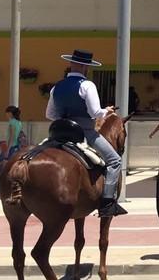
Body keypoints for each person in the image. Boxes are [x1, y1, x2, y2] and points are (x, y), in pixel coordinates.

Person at [45, 49, 124, 216]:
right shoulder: (87, 85)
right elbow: (95, 113)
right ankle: (107, 202)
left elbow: (49, 115)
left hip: (58, 132)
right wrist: (107, 111)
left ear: (71, 64)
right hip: (84, 131)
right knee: (115, 160)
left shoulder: (56, 87)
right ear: (86, 67)